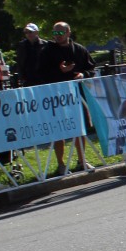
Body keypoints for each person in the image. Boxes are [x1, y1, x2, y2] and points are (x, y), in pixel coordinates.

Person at [38, 20, 97, 175]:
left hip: (77, 95)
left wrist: (82, 74)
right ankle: (61, 164)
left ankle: (82, 160)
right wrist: (60, 72)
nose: (57, 36)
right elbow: (40, 73)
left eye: (60, 32)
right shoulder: (47, 51)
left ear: (68, 32)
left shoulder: (79, 49)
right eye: (55, 33)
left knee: (80, 127)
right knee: (59, 129)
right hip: (56, 97)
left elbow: (91, 68)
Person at [14, 22, 46, 87]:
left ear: (36, 32)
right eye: (26, 32)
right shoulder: (22, 45)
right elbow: (19, 62)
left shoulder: (45, 44)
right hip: (28, 80)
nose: (28, 34)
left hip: (43, 78)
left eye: (30, 32)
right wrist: (21, 77)